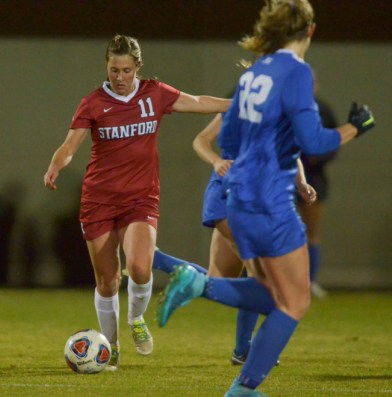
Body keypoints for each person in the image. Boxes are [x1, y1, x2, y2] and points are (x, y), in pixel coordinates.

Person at [156, 1, 375, 395]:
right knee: (295, 302)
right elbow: (314, 141)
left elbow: (230, 140)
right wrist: (355, 128)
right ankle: (241, 381)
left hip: (237, 195)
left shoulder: (253, 74)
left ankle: (242, 378)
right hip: (270, 199)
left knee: (275, 296)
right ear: (310, 31)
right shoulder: (296, 73)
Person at [43, 34, 231, 370]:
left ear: (137, 68)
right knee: (108, 280)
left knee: (142, 268)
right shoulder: (93, 102)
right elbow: (70, 145)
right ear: (107, 67)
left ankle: (136, 319)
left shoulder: (154, 93)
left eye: (125, 70)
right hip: (98, 200)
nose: (119, 76)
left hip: (140, 198)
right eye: (113, 69)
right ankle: (110, 347)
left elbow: (198, 101)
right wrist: (56, 165)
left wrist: (237, 105)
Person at [153, 113, 316, 366]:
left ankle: (155, 258)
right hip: (233, 197)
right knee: (265, 283)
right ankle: (243, 351)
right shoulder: (239, 107)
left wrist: (301, 183)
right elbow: (201, 140)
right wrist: (216, 161)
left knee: (217, 281)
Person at [298, 79, 339, 298]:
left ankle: (310, 281)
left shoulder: (321, 109)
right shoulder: (284, 104)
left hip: (313, 176)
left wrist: (317, 158)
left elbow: (333, 140)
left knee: (311, 231)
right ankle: (271, 280)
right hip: (282, 174)